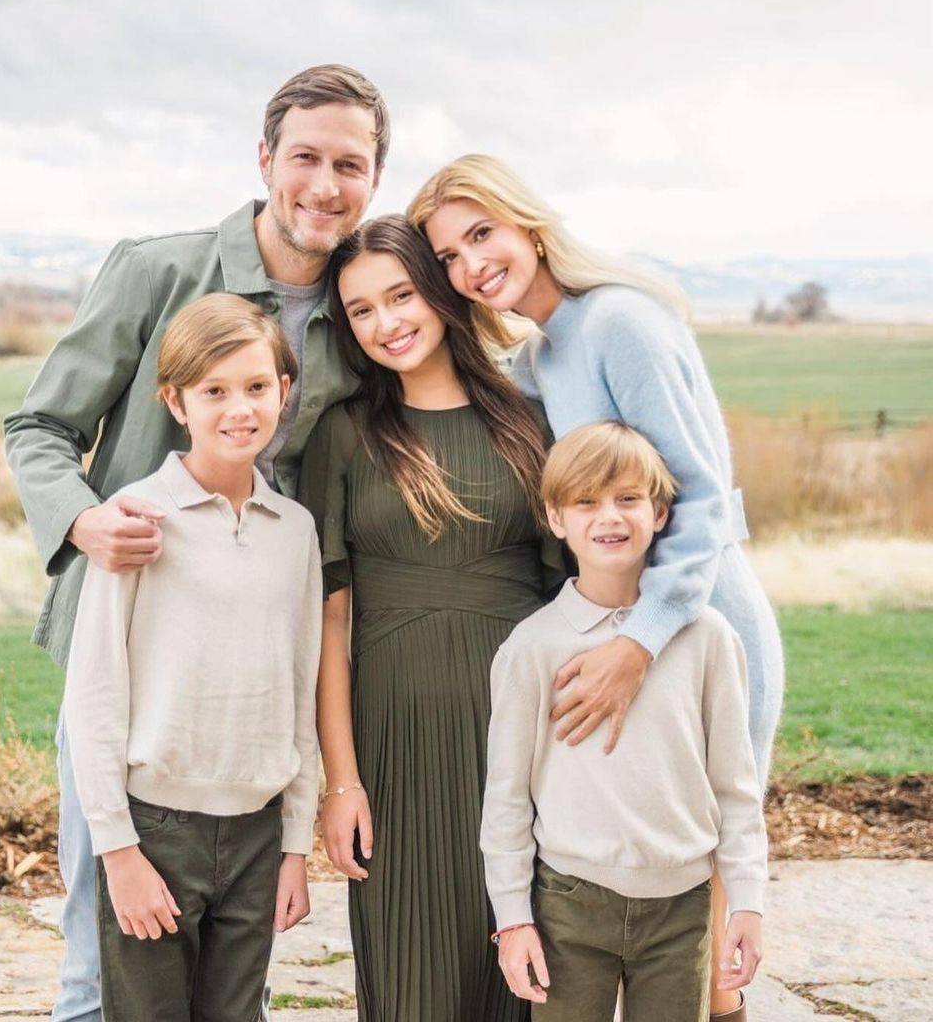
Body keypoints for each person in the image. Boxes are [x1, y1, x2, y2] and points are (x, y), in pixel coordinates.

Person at [4, 63, 387, 1022]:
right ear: (265, 160)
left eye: (352, 164)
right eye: (305, 157)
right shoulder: (157, 271)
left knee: (230, 974)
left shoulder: (366, 312)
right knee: (106, 942)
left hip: (257, 676)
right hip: (139, 658)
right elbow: (38, 428)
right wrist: (84, 519)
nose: (325, 185)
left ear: (376, 180)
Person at [408, 155, 783, 1019]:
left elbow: (697, 503)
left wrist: (637, 644)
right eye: (452, 258)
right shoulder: (551, 350)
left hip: (694, 619)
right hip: (626, 623)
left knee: (707, 918)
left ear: (526, 224)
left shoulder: (620, 324)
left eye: (481, 234)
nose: (473, 266)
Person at [298, 215, 563, 1021]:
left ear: (440, 288)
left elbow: (569, 602)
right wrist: (339, 783)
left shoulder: (529, 422)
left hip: (522, 738)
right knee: (415, 979)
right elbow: (330, 625)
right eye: (361, 311)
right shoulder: (344, 434)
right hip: (394, 743)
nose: (387, 323)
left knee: (524, 974)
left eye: (401, 294)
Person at [64, 295, 321, 1020]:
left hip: (257, 831)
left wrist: (295, 845)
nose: (239, 409)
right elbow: (95, 694)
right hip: (156, 833)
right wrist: (117, 850)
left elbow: (300, 689)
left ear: (284, 392)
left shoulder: (294, 532)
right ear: (175, 401)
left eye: (257, 387)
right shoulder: (137, 519)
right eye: (214, 391)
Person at [481, 421, 766, 1021]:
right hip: (568, 905)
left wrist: (747, 902)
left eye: (628, 499)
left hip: (682, 908)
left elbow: (735, 788)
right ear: (556, 519)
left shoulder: (708, 638)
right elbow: (506, 798)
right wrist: (512, 919)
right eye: (586, 501)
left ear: (660, 513)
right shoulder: (532, 648)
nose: (608, 516)